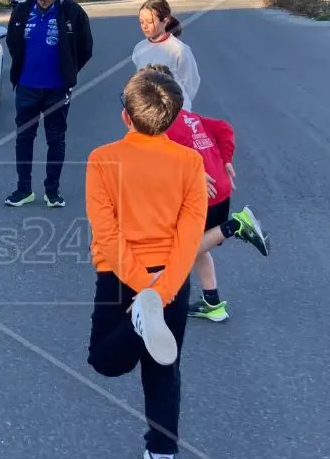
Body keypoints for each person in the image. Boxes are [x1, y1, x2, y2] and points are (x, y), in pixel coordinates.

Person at [84, 68, 206, 459]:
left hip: (119, 275)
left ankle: (138, 322)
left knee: (104, 359)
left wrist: (142, 291)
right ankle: (162, 452)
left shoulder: (102, 159)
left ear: (126, 115)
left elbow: (107, 232)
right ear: (173, 117)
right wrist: (162, 290)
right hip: (171, 277)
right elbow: (190, 237)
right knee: (164, 369)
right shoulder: (190, 163)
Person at [145, 64, 270, 323]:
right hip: (218, 189)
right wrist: (226, 159)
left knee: (179, 250)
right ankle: (213, 303)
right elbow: (224, 128)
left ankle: (236, 225)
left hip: (204, 194)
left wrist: (193, 170)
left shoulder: (162, 125)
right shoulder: (191, 117)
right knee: (200, 247)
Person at [4, 0, 93, 208]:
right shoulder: (22, 11)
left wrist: (68, 72)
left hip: (57, 90)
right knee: (24, 139)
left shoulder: (72, 13)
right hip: (26, 88)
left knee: (55, 140)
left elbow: (85, 49)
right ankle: (23, 190)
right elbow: (13, 43)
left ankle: (52, 192)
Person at [132, 0, 200, 111]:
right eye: (141, 22)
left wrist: (178, 104)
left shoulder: (179, 49)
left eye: (150, 22)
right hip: (148, 112)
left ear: (165, 21)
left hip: (174, 112)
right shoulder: (139, 48)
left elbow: (191, 83)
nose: (144, 26)